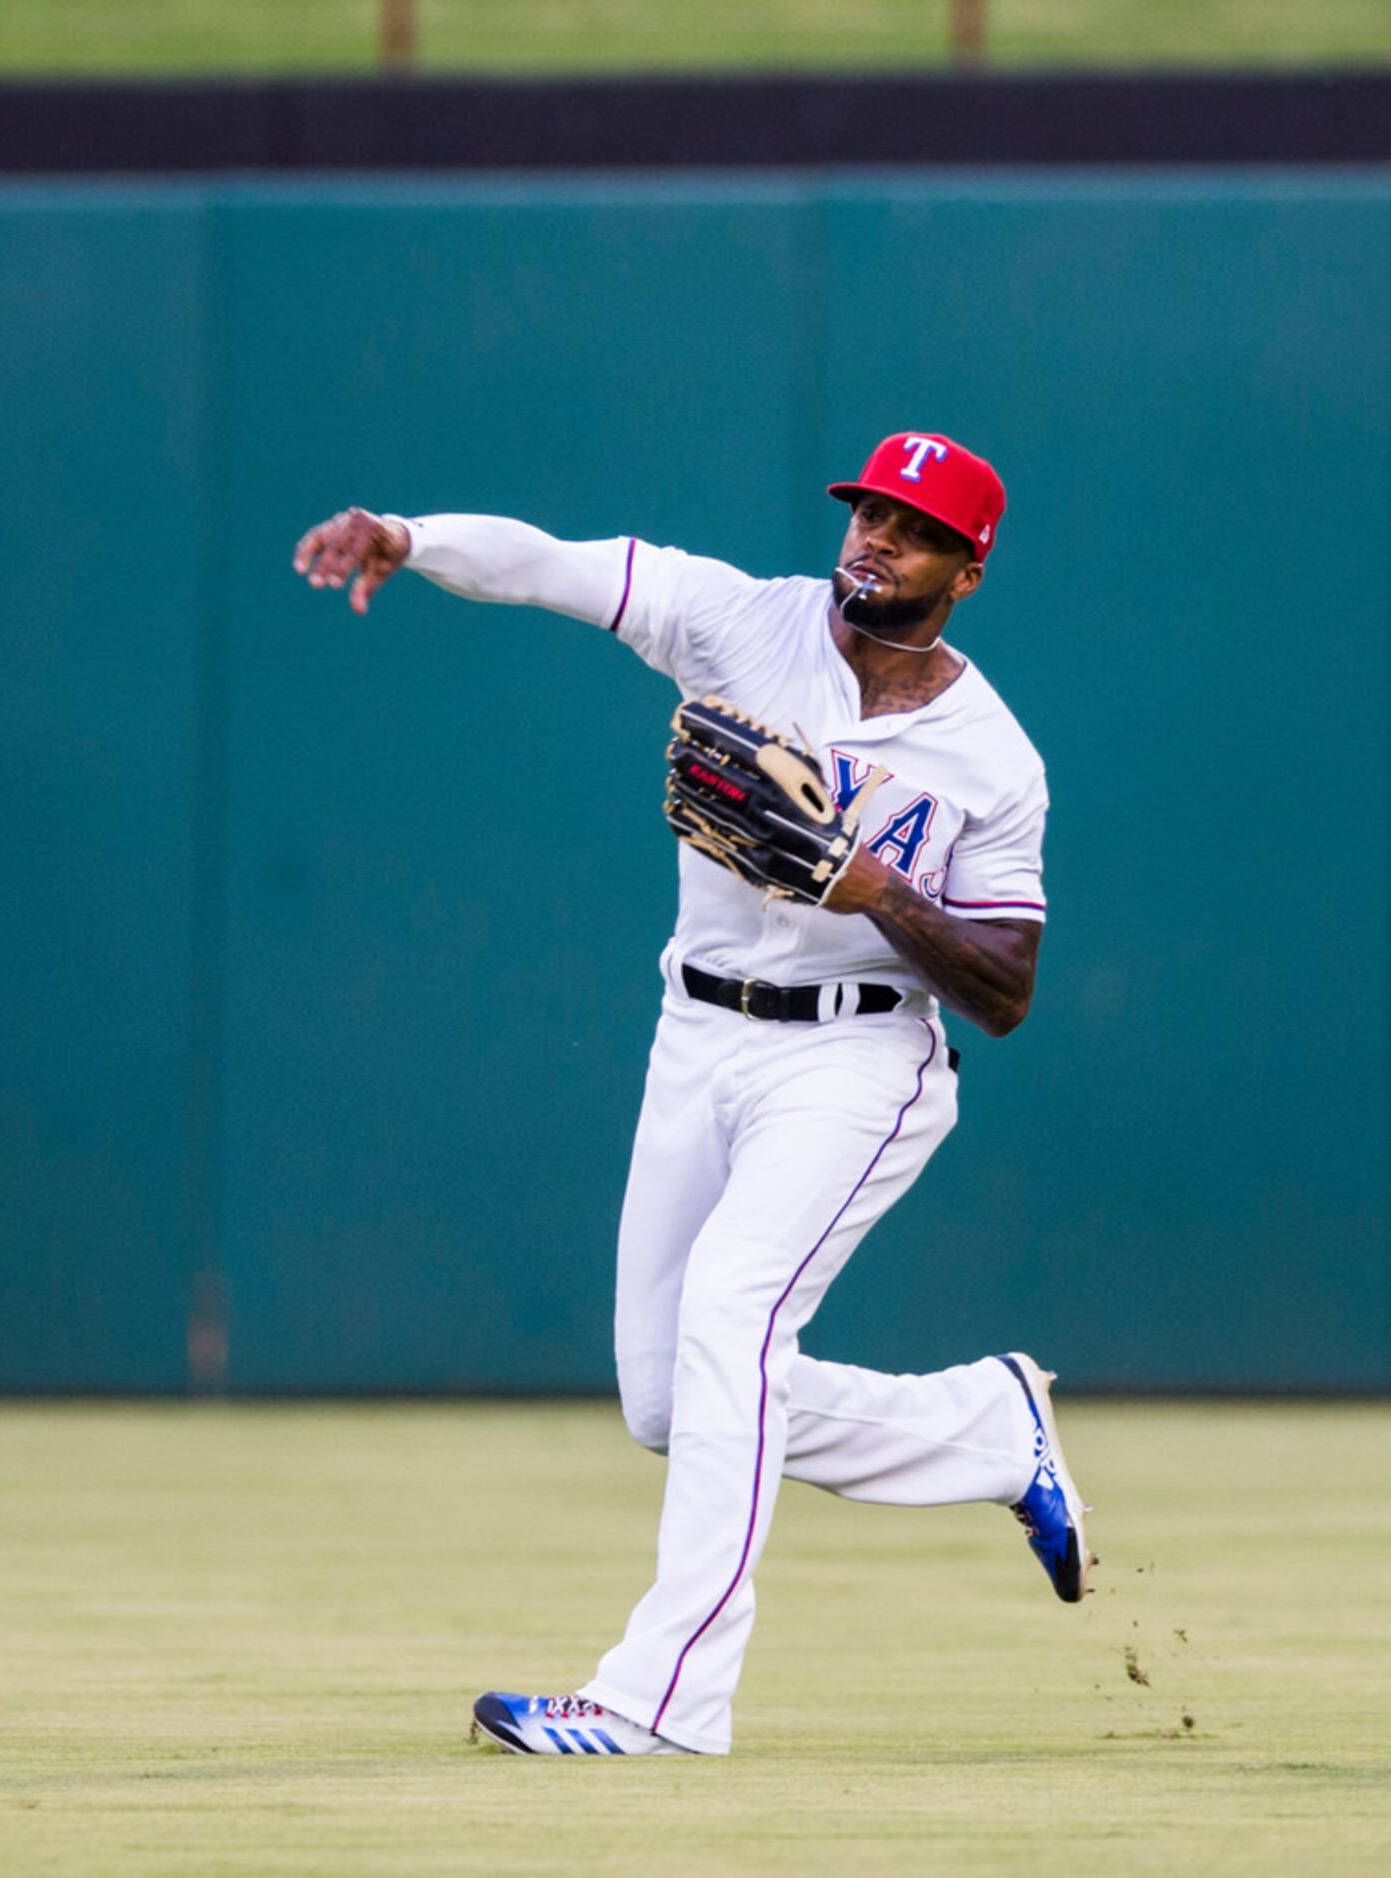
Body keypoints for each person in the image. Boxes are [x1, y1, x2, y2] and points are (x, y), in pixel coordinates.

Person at [293, 432, 1092, 1759]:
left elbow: (1005, 986)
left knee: (733, 1315)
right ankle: (989, 1427)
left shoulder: (993, 759)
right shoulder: (744, 622)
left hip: (858, 1058)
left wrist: (875, 887)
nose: (874, 536)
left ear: (967, 566)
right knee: (672, 1398)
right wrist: (412, 538)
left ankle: (660, 1702)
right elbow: (554, 566)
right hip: (698, 1029)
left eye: (910, 524)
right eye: (867, 510)